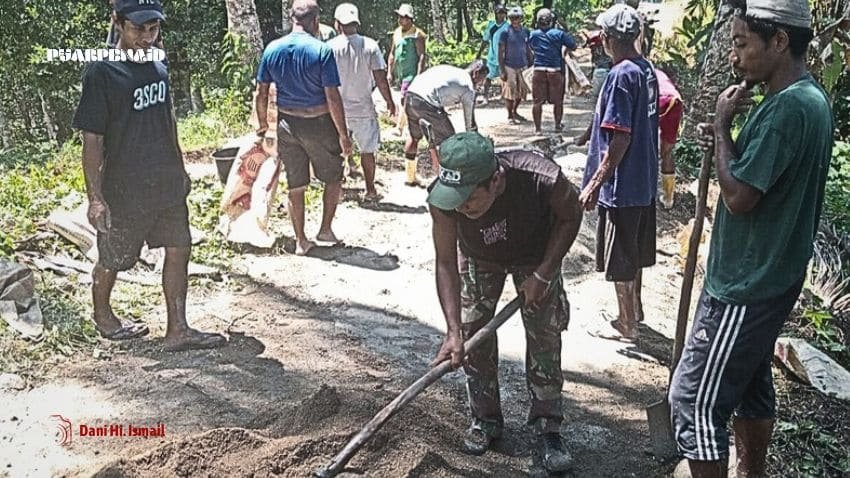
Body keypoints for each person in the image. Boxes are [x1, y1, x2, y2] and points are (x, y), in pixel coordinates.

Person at [668, 0, 831, 476]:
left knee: (693, 401)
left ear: (779, 41)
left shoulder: (788, 110)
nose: (734, 57)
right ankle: (750, 473)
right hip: (771, 275)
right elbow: (751, 175)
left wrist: (721, 127)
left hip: (747, 282)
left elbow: (739, 197)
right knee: (750, 381)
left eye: (741, 44)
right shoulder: (802, 100)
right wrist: (724, 139)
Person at [73, 0, 225, 351]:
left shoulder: (159, 61)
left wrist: (180, 166)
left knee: (179, 248)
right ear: (118, 23)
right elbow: (92, 140)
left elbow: (167, 118)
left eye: (153, 28)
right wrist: (95, 198)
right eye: (138, 28)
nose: (146, 36)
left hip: (167, 181)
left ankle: (178, 329)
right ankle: (103, 316)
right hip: (125, 187)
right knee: (114, 257)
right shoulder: (102, 72)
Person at [428, 131, 582, 472]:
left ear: (496, 180)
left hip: (536, 254)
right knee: (472, 335)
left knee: (544, 335)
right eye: (456, 199)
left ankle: (548, 427)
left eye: (469, 199)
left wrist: (543, 273)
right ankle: (485, 419)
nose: (461, 207)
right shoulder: (443, 200)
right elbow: (444, 262)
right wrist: (453, 330)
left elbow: (572, 215)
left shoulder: (542, 178)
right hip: (479, 258)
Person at [578, 4, 658, 342]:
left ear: (609, 39)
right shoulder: (646, 69)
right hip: (644, 178)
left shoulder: (621, 75)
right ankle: (634, 312)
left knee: (621, 256)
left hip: (623, 184)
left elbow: (620, 135)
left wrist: (596, 182)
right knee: (633, 252)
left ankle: (627, 325)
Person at [254, 0, 353, 256]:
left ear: (292, 18)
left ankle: (300, 241)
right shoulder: (321, 50)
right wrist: (343, 135)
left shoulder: (272, 49)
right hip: (319, 123)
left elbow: (261, 93)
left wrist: (264, 125)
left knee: (295, 183)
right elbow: (332, 97)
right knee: (333, 177)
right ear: (316, 20)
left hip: (287, 124)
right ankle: (325, 230)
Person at [328, 3, 397, 201]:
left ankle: (338, 191)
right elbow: (381, 79)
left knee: (338, 152)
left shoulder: (329, 48)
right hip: (364, 109)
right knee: (367, 152)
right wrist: (389, 101)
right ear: (357, 23)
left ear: (337, 24)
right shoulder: (370, 46)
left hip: (337, 110)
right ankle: (370, 190)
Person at [403, 62, 488, 185]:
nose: (481, 84)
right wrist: (476, 143)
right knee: (449, 142)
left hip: (410, 96)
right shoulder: (468, 87)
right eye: (482, 80)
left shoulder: (451, 71)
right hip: (426, 102)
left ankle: (410, 177)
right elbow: (469, 122)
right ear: (476, 73)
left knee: (414, 137)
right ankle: (444, 178)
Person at [528, 8, 578, 133]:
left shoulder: (533, 34)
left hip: (538, 70)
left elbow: (530, 47)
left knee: (537, 102)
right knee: (558, 101)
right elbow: (573, 45)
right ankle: (557, 125)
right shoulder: (559, 34)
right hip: (555, 70)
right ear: (551, 20)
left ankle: (538, 129)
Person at [387, 4, 427, 132]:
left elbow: (421, 55)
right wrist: (389, 72)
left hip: (411, 73)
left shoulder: (417, 34)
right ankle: (413, 123)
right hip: (400, 73)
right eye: (399, 17)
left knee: (405, 97)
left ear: (410, 19)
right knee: (405, 98)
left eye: (403, 17)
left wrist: (419, 74)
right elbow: (392, 53)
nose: (400, 20)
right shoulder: (397, 33)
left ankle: (400, 127)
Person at [499, 7, 533, 124]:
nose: (515, 20)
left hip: (523, 64)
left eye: (517, 18)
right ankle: (509, 115)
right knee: (510, 90)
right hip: (509, 65)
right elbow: (501, 51)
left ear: (521, 18)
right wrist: (502, 69)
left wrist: (531, 64)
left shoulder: (526, 32)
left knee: (521, 91)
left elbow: (528, 49)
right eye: (512, 18)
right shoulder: (505, 33)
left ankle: (515, 111)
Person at [655, 68, 683, 208]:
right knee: (667, 151)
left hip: (658, 99)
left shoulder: (639, 71)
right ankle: (668, 199)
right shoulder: (660, 73)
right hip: (674, 100)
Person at [477, 4, 508, 103]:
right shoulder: (491, 25)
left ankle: (503, 96)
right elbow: (485, 40)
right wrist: (479, 53)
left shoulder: (507, 26)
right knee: (488, 77)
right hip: (492, 56)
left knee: (504, 77)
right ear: (496, 14)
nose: (501, 15)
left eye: (503, 13)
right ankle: (485, 97)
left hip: (504, 57)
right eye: (499, 13)